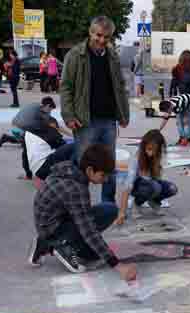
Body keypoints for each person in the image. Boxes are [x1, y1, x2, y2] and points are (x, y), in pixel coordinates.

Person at [29, 144, 137, 281]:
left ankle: (51, 241)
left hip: (51, 221)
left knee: (107, 215)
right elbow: (88, 230)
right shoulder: (75, 188)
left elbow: (80, 213)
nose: (105, 180)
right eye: (103, 175)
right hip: (51, 229)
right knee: (101, 225)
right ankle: (54, 244)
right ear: (90, 170)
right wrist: (117, 265)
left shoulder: (71, 170)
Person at [61, 16, 130, 203]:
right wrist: (68, 115)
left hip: (108, 120)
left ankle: (108, 204)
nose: (101, 40)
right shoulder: (75, 55)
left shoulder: (113, 56)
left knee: (109, 164)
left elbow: (119, 86)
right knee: (84, 164)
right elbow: (66, 86)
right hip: (85, 120)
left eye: (106, 37)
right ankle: (79, 202)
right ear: (91, 33)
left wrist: (124, 114)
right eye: (98, 35)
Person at [116, 130, 178, 225]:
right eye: (148, 148)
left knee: (172, 188)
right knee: (155, 187)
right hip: (137, 186)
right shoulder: (137, 158)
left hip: (151, 184)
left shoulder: (158, 156)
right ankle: (137, 204)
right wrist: (122, 212)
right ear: (144, 146)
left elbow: (157, 178)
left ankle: (154, 201)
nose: (150, 152)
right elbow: (127, 186)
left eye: (153, 149)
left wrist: (155, 163)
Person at [0, 97, 63, 180]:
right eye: (50, 110)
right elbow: (54, 126)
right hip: (23, 130)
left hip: (15, 126)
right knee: (27, 151)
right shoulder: (43, 113)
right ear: (48, 106)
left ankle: (6, 138)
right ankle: (28, 175)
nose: (50, 112)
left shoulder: (33, 104)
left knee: (25, 143)